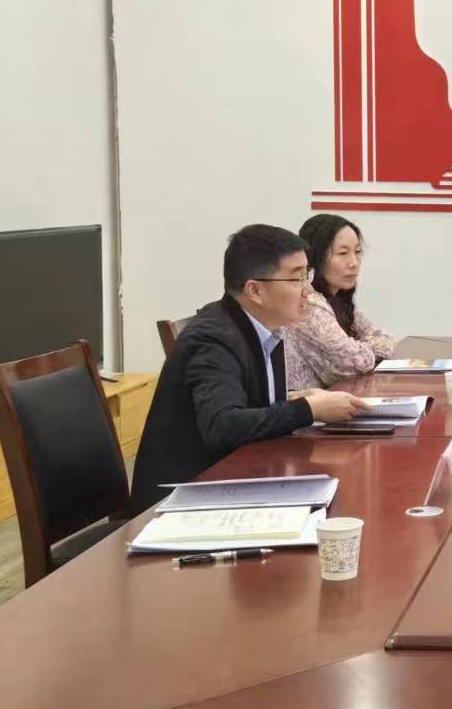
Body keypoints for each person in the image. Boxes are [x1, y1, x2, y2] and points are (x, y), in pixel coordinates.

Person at [130, 225, 362, 509]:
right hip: (183, 499)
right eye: (296, 279)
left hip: (236, 479)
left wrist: (296, 397)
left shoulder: (264, 327)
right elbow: (222, 425)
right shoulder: (213, 339)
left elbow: (246, 401)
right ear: (255, 290)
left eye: (307, 276)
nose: (308, 291)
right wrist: (308, 410)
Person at [286, 214, 396, 391]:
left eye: (357, 252)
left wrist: (360, 348)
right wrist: (364, 348)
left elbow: (386, 339)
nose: (354, 263)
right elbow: (354, 361)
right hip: (304, 407)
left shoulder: (339, 300)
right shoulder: (308, 303)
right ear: (315, 257)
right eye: (343, 253)